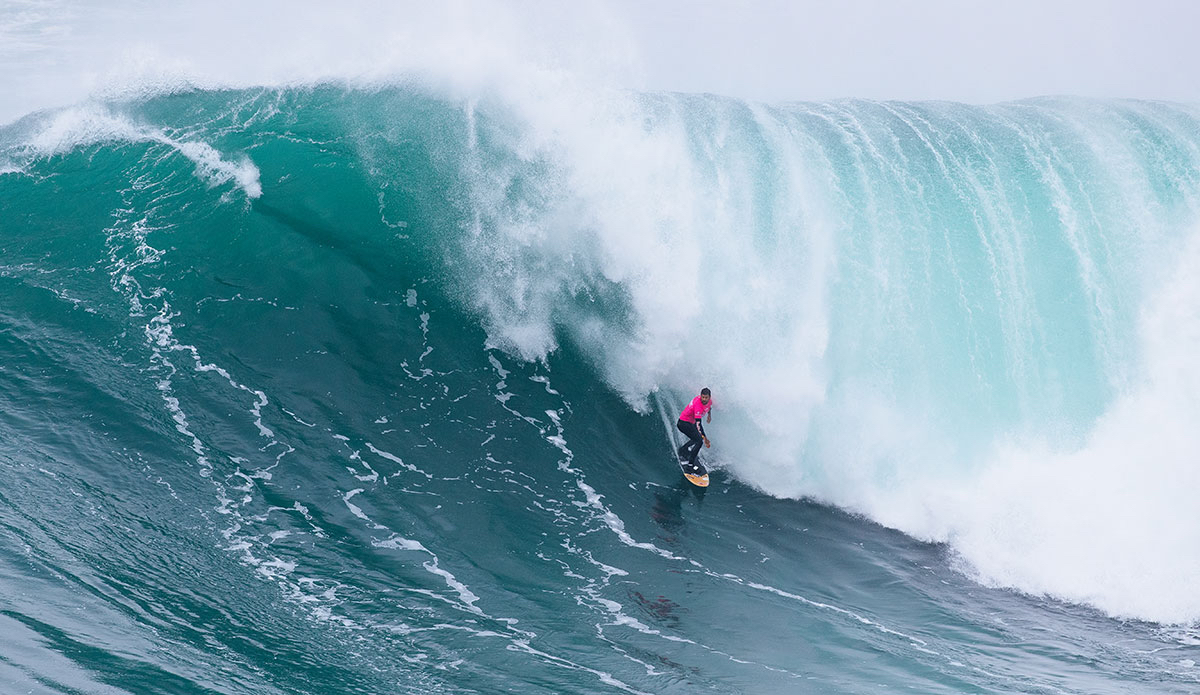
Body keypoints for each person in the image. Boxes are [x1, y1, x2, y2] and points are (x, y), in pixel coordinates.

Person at [676, 388, 713, 472]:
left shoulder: (709, 402)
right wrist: (705, 438)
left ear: (709, 397)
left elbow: (709, 407)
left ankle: (683, 449)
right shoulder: (698, 405)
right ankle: (690, 466)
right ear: (700, 396)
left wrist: (709, 416)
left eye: (706, 397)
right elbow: (698, 424)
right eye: (702, 397)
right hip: (683, 424)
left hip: (690, 423)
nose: (704, 399)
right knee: (699, 441)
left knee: (697, 438)